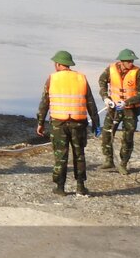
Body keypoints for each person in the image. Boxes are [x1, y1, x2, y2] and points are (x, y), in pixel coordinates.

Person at [36, 51, 101, 196]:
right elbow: (91, 103)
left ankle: (60, 188)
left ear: (58, 64)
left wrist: (40, 122)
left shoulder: (52, 79)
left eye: (55, 63)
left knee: (61, 155)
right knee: (79, 155)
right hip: (78, 124)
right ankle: (80, 187)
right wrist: (96, 123)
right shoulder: (81, 78)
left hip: (59, 124)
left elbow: (44, 103)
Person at [98, 49, 140, 175]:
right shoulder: (110, 69)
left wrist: (128, 102)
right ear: (122, 61)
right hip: (113, 108)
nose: (131, 63)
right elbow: (101, 82)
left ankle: (123, 163)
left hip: (131, 110)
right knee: (107, 133)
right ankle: (109, 160)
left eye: (132, 61)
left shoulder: (138, 72)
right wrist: (105, 98)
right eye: (129, 61)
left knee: (128, 137)